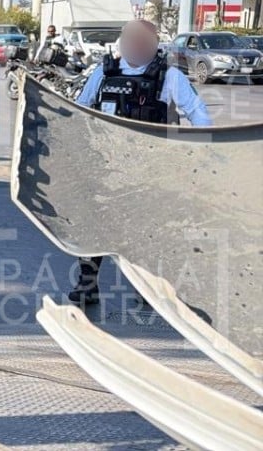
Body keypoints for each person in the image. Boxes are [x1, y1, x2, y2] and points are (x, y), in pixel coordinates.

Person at [66, 19, 212, 304]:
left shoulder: (170, 76)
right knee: (94, 224)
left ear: (154, 45)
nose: (135, 46)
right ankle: (88, 283)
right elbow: (81, 108)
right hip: (105, 164)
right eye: (130, 39)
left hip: (150, 166)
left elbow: (198, 113)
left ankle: (147, 286)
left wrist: (202, 153)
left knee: (147, 229)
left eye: (142, 41)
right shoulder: (103, 73)